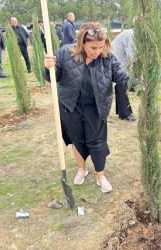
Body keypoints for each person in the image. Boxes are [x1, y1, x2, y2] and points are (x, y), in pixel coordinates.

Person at [43, 22, 130, 193]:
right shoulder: (64, 53)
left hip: (96, 107)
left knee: (97, 142)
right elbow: (53, 77)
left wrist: (138, 83)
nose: (98, 51)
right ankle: (82, 169)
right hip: (71, 105)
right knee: (77, 140)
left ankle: (101, 176)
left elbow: (122, 76)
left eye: (101, 46)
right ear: (82, 43)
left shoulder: (108, 58)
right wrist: (48, 69)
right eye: (93, 48)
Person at [111, 28, 137, 121]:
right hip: (111, 62)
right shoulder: (131, 35)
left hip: (118, 63)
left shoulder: (134, 34)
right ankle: (124, 113)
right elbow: (132, 56)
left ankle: (124, 113)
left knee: (120, 85)